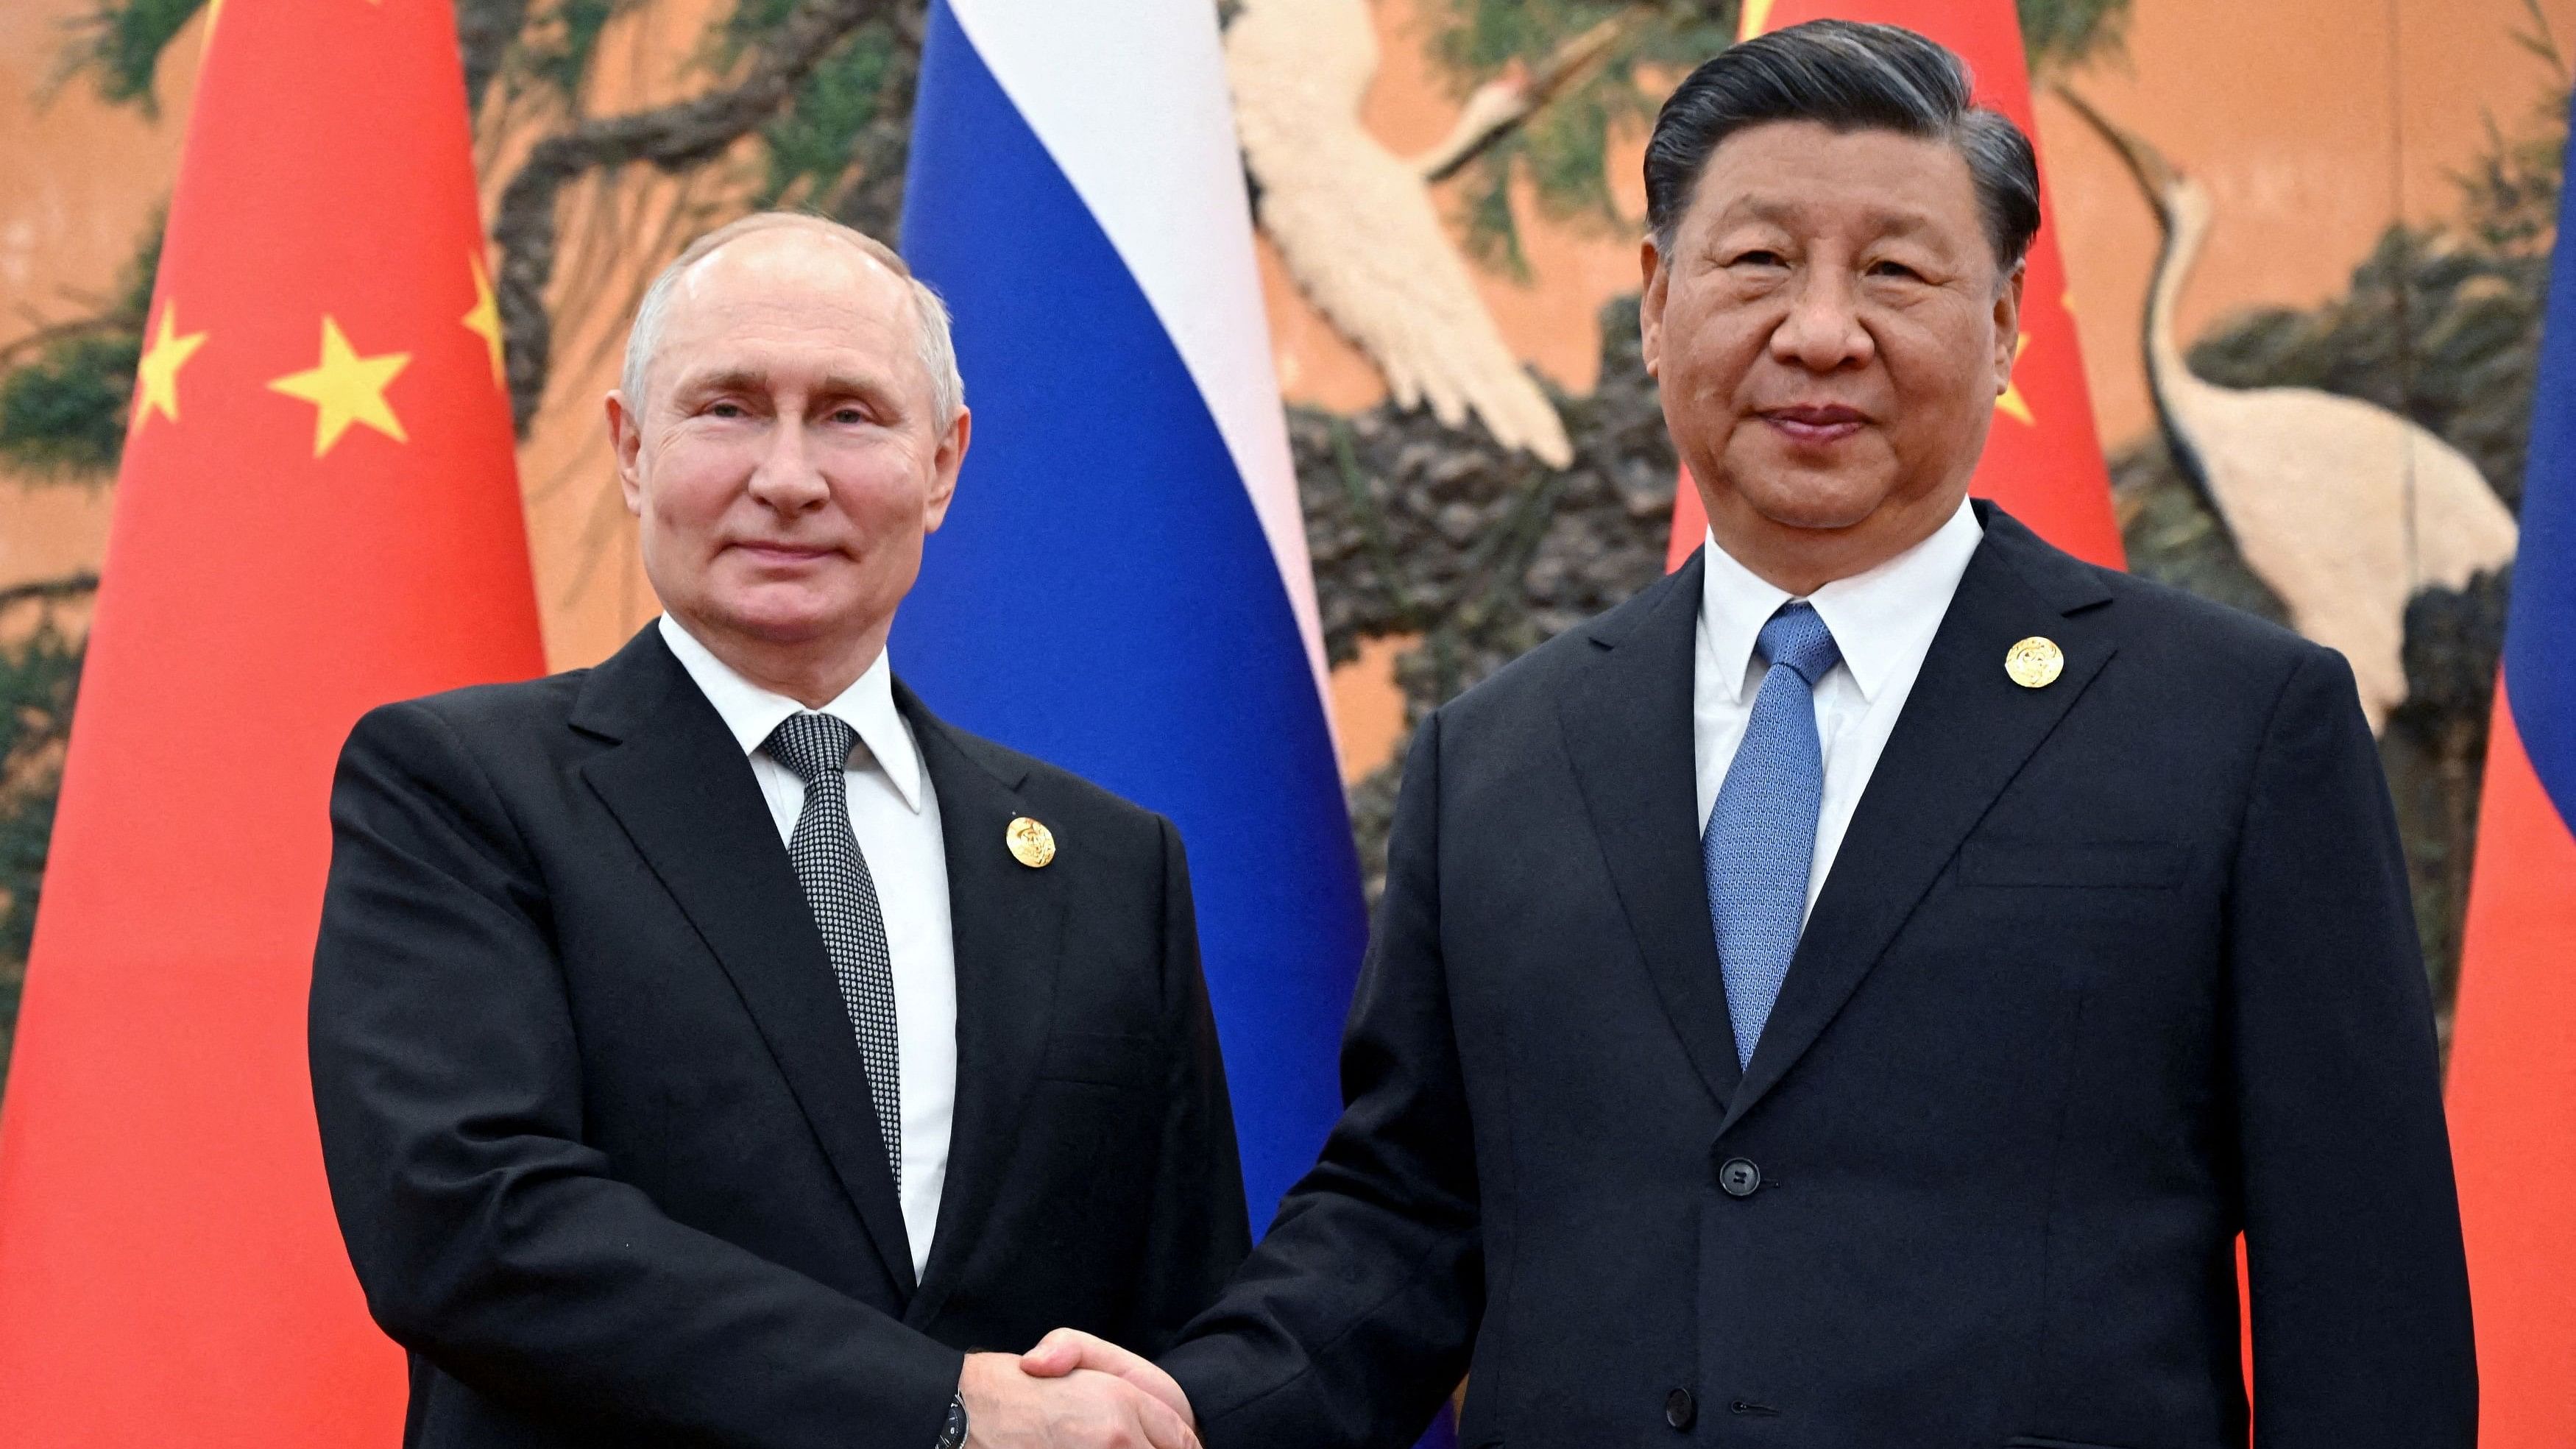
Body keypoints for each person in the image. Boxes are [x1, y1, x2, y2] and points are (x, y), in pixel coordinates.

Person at [1027, 20, 2476, 1448]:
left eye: (1896, 272)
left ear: (2002, 322)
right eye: (1759, 263)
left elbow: (2362, 1292)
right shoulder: (1502, 755)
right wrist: (1175, 1419)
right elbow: (1409, 1219)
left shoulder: (2233, 725)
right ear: (1659, 303)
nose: (1822, 330)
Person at [311, 212, 1236, 1449]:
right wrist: (938, 1408)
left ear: (945, 464)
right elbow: (468, 1223)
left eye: (850, 414)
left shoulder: (1113, 867)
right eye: (728, 408)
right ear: (632, 450)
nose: (788, 476)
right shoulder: (461, 790)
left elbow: (1177, 1317)